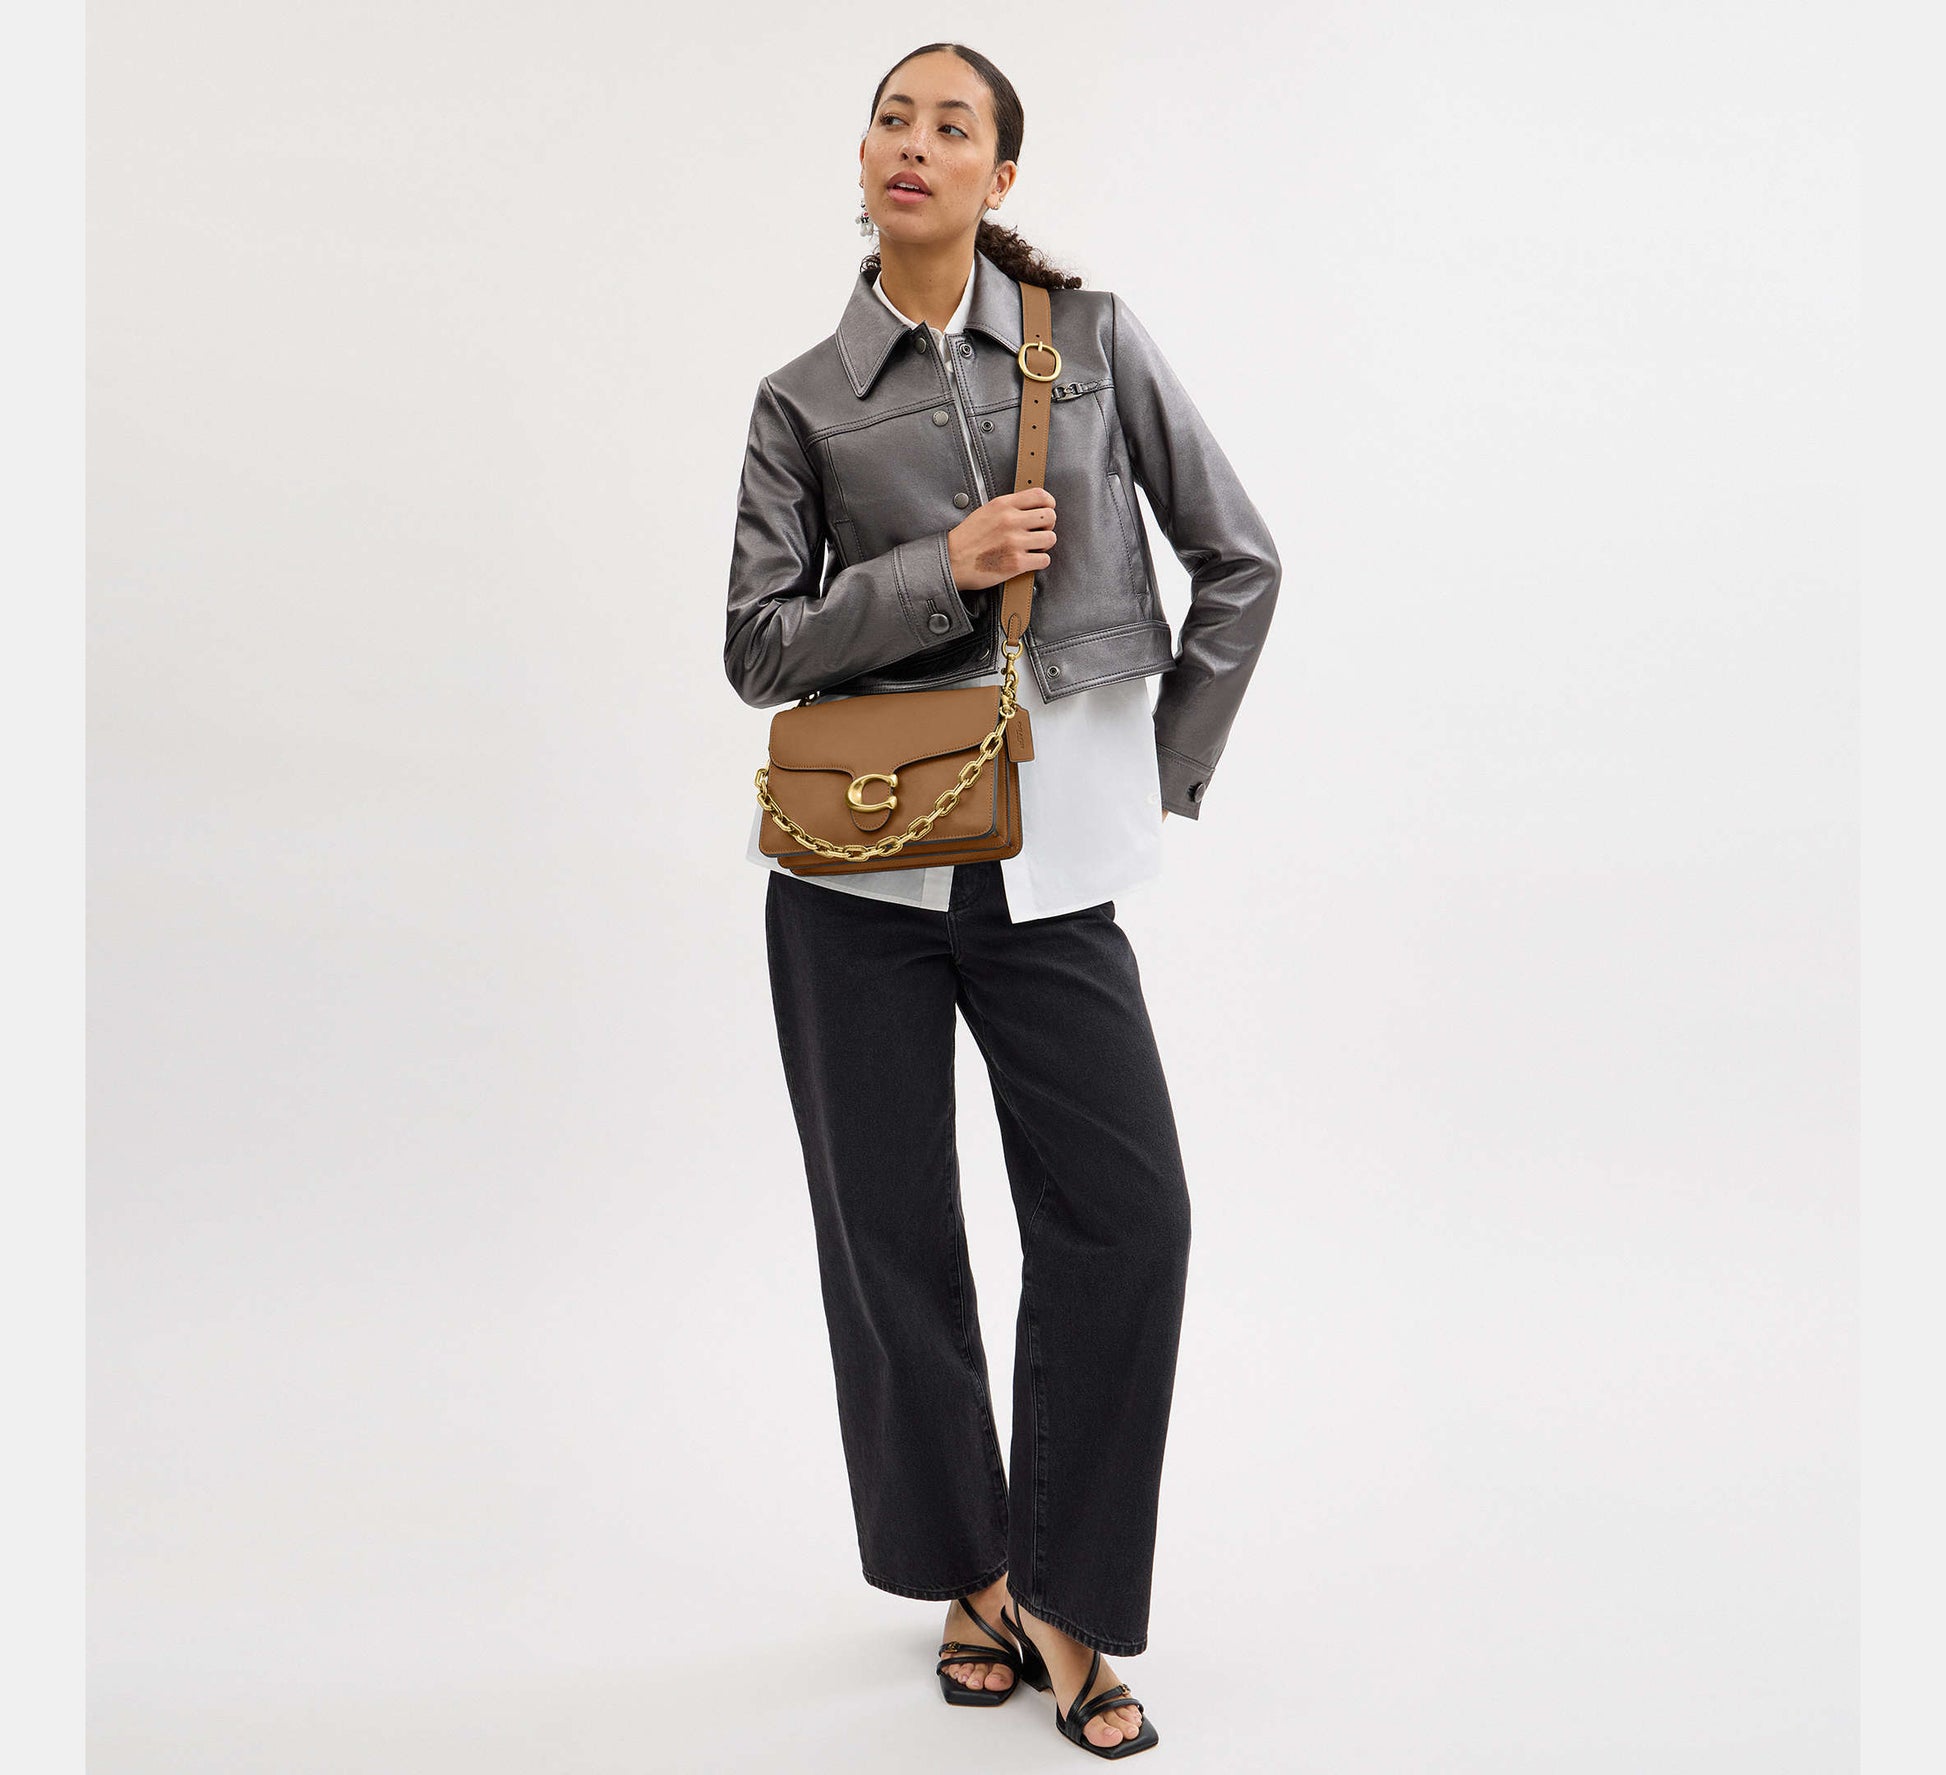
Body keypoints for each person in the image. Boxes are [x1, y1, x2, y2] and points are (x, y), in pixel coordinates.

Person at [724, 40, 1281, 1758]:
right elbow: (756, 647)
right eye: (891, 118)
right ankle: (968, 1578)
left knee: (1129, 1219)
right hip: (854, 880)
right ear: (864, 160)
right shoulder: (801, 399)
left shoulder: (1089, 345)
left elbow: (1241, 560)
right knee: (889, 1242)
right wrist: (937, 572)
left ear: (999, 175)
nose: (912, 143)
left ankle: (1068, 1598)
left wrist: (1152, 775)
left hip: (1051, 881)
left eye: (950, 124)